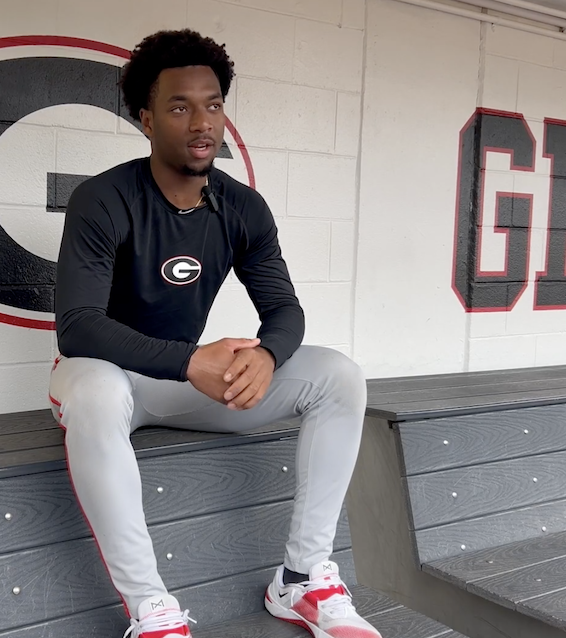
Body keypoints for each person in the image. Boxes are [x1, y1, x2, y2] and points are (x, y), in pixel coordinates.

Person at [50, 29, 380, 638]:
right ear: (147, 119)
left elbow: (284, 309)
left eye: (213, 104)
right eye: (180, 107)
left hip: (183, 383)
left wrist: (270, 355)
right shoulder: (103, 199)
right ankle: (151, 610)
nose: (202, 122)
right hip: (109, 377)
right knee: (94, 387)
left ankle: (302, 579)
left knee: (338, 376)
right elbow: (76, 328)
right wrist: (187, 362)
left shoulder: (242, 207)